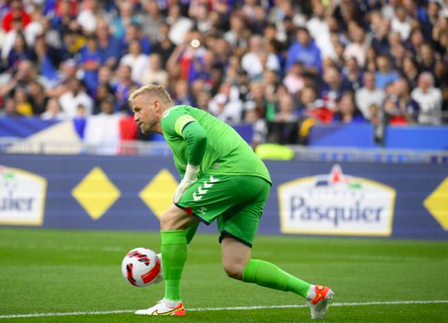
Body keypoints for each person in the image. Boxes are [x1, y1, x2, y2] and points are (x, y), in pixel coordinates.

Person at [129, 85, 334, 319]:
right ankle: (313, 292)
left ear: (156, 105)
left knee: (168, 218)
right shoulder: (177, 147)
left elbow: (198, 135)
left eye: (137, 109)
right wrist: (167, 260)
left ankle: (172, 302)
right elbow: (185, 219)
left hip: (232, 172)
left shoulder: (171, 115)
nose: (134, 117)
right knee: (236, 266)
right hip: (256, 179)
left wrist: (191, 174)